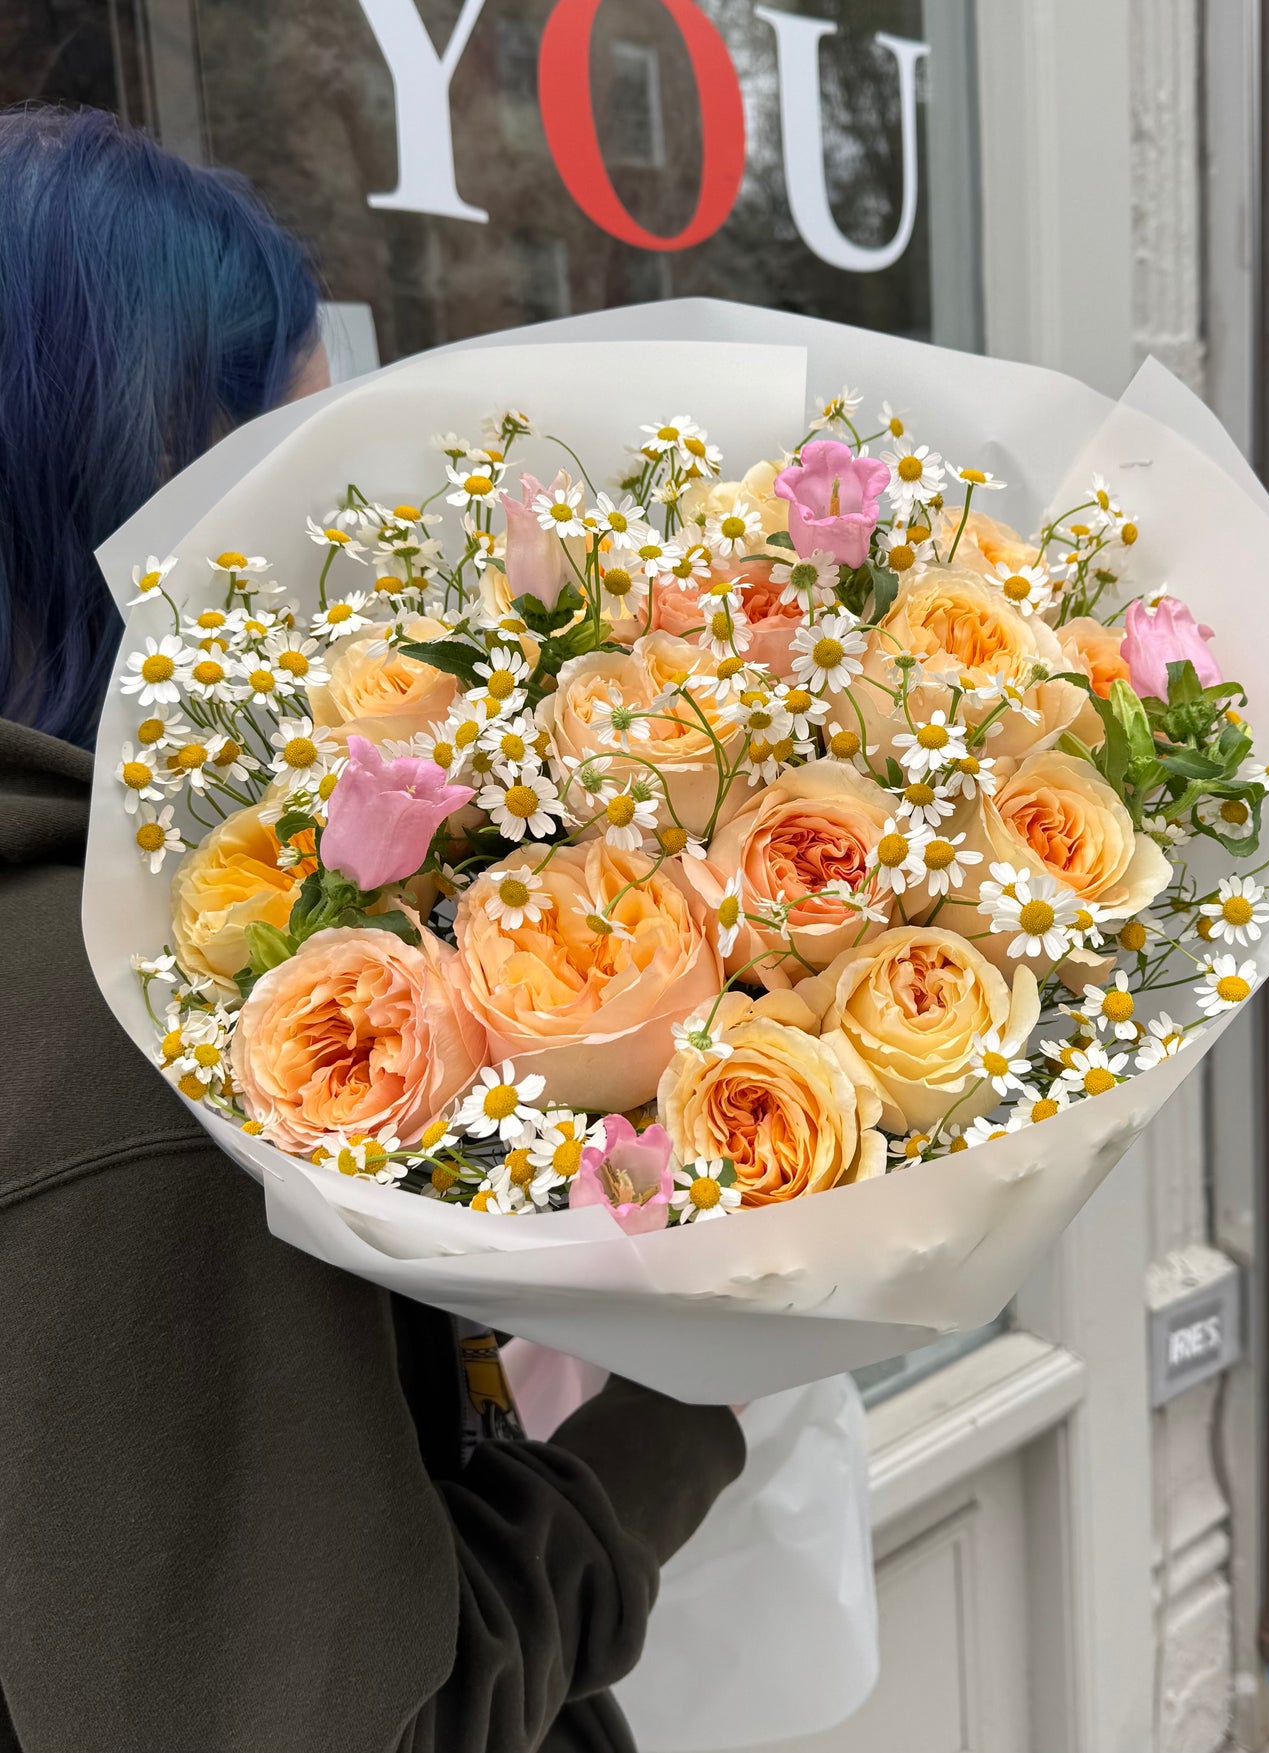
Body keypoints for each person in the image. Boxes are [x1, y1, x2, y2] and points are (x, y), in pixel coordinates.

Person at [0, 106, 745, 1753]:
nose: (340, 543)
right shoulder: (118, 1052)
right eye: (290, 464)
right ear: (127, 507)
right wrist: (671, 1410)